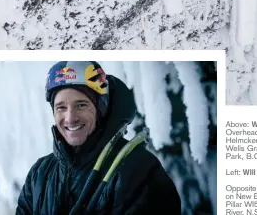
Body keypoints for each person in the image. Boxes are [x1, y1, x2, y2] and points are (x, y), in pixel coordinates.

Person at [16, 61, 180, 215]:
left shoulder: (138, 170)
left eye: (81, 105)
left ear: (100, 108)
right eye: (61, 107)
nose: (70, 118)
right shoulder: (39, 174)